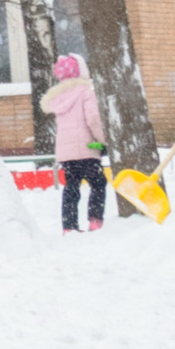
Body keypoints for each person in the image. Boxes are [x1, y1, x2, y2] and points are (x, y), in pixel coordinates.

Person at [47, 50, 107, 233]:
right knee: (98, 183)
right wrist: (102, 140)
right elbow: (93, 119)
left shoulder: (59, 97)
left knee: (71, 187)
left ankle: (69, 225)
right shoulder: (86, 93)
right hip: (87, 147)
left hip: (67, 153)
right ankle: (95, 220)